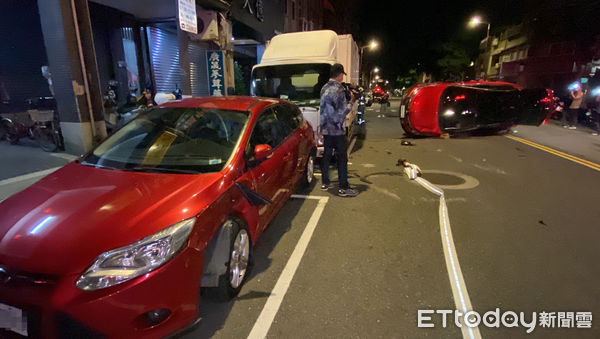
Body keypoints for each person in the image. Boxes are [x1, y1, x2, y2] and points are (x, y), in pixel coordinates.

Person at [319, 63, 358, 197]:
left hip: (326, 130)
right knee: (342, 158)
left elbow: (325, 110)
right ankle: (343, 187)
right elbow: (340, 113)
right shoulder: (339, 89)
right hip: (337, 130)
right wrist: (351, 101)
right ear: (339, 74)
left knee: (326, 156)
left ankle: (325, 182)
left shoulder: (324, 88)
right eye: (342, 74)